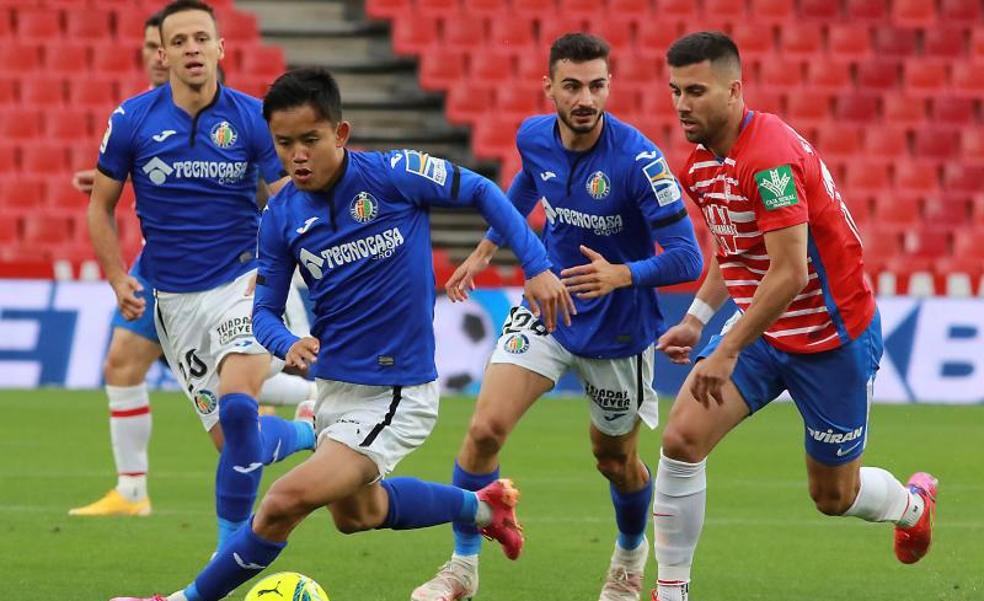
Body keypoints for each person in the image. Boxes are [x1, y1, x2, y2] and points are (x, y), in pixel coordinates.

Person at [109, 65, 576, 601]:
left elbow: (483, 192)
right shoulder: (279, 216)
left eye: (310, 139)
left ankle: (182, 600)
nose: (297, 155)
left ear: (340, 134)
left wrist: (536, 265)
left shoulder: (393, 174)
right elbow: (264, 311)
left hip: (396, 390)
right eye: (284, 144)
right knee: (359, 514)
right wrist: (288, 343)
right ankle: (484, 506)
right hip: (335, 389)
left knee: (283, 500)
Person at [413, 33, 703, 601]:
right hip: (550, 309)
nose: (585, 98)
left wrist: (624, 274)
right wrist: (483, 250)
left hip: (619, 330)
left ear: (609, 87)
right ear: (549, 87)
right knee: (483, 430)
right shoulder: (533, 138)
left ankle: (628, 556)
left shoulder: (639, 162)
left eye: (596, 86)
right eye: (572, 86)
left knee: (615, 462)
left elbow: (689, 256)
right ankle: (462, 567)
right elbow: (525, 186)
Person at [649, 32, 937, 601]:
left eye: (697, 91)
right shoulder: (701, 165)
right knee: (681, 439)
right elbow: (735, 251)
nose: (682, 104)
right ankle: (671, 590)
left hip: (832, 338)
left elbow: (789, 273)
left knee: (834, 497)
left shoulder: (771, 160)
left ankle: (912, 505)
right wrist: (699, 318)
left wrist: (726, 349)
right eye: (675, 90)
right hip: (765, 331)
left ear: (734, 90)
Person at [87, 0, 315, 549]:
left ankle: (226, 556)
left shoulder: (250, 119)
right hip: (173, 303)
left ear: (220, 48)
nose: (192, 48)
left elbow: (285, 199)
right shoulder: (132, 120)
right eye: (180, 41)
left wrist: (300, 263)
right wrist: (119, 278)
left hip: (243, 284)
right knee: (239, 446)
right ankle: (311, 425)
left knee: (239, 404)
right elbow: (101, 207)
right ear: (162, 55)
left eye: (202, 38)